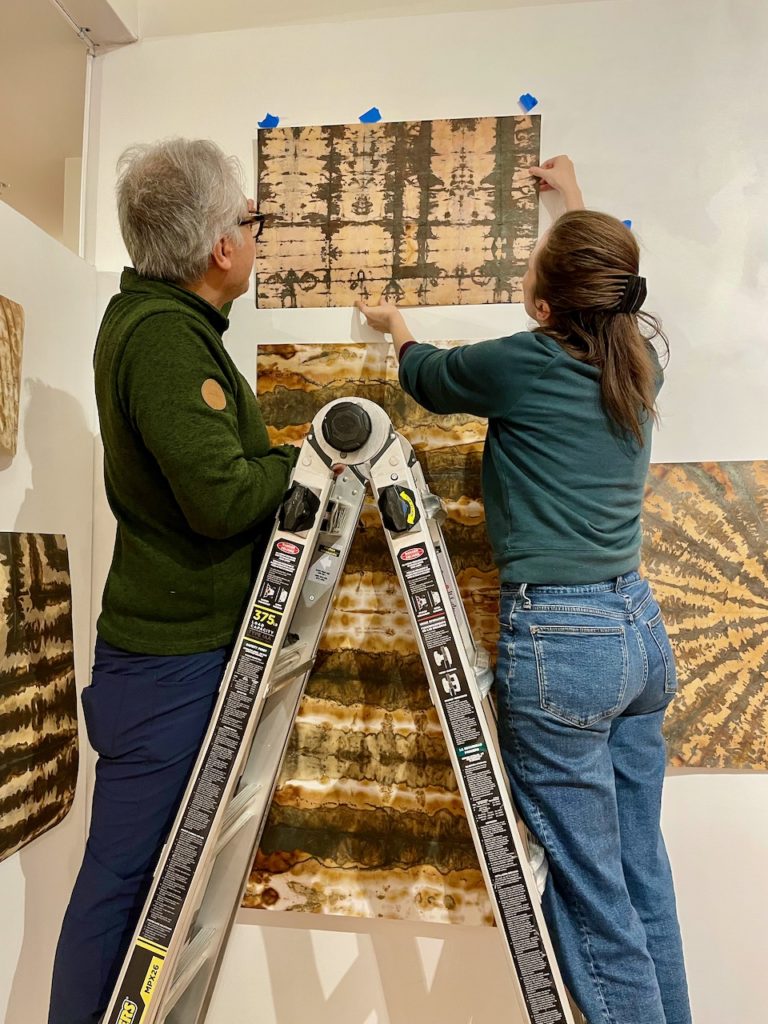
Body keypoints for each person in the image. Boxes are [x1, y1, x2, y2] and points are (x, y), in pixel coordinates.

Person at [357, 156, 692, 1024]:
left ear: (546, 308)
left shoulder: (525, 362)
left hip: (567, 646)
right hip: (637, 634)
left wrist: (394, 320)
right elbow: (608, 278)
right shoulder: (638, 357)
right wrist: (575, 206)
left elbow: (425, 374)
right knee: (640, 870)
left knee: (590, 900)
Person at [48, 138, 298, 1024]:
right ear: (218, 248)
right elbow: (224, 497)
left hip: (169, 659)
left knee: (136, 883)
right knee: (121, 886)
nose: (256, 236)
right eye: (250, 220)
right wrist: (297, 466)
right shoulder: (163, 340)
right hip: (167, 668)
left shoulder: (168, 327)